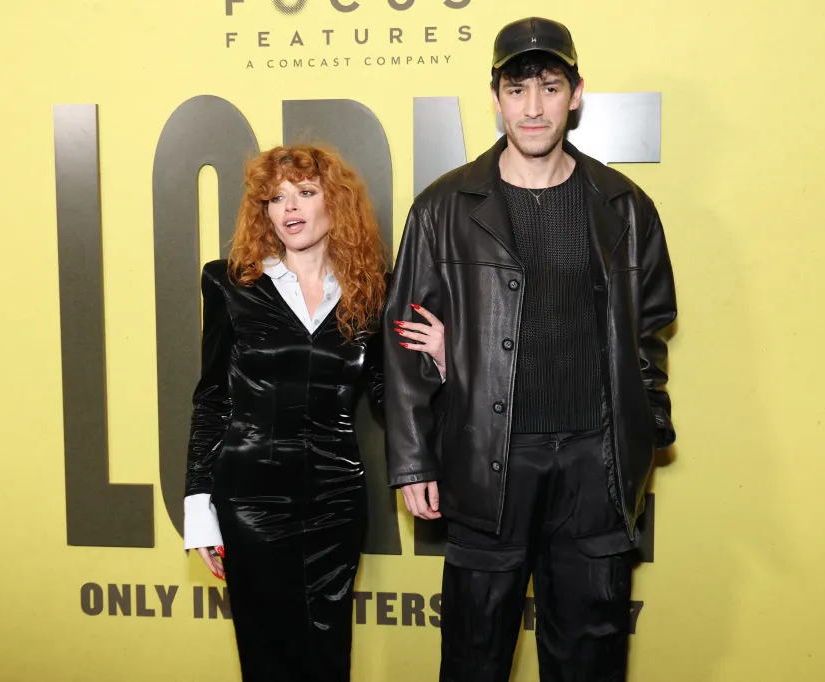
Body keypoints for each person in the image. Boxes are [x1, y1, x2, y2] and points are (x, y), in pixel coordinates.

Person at [383, 17, 677, 682]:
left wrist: (640, 434)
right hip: (488, 461)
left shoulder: (624, 206)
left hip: (593, 465)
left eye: (550, 87)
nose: (534, 107)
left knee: (591, 654)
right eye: (519, 90)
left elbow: (649, 329)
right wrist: (412, 461)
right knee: (474, 652)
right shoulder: (443, 207)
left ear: (576, 94)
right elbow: (403, 346)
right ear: (496, 98)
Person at [181, 144, 445, 682]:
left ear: (336, 203)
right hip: (249, 495)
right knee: (265, 651)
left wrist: (441, 358)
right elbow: (212, 397)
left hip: (335, 496)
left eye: (305, 192)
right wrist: (198, 506)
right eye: (275, 198)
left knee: (328, 648)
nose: (290, 209)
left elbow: (387, 392)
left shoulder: (373, 291)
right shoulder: (229, 282)